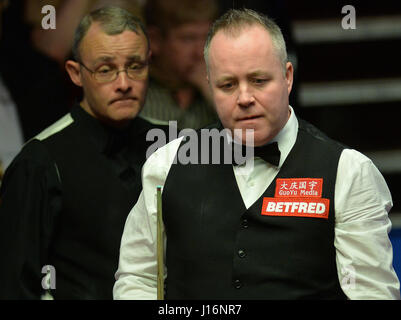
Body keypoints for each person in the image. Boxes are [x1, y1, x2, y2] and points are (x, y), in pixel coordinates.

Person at [113, 8, 400, 299]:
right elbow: (138, 279)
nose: (245, 98)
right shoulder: (167, 164)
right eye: (228, 85)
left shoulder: (348, 172)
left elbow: (371, 294)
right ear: (210, 86)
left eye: (259, 81)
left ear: (287, 77)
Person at [0, 6, 157, 299]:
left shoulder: (169, 147)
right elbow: (14, 285)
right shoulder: (39, 161)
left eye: (135, 66)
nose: (124, 84)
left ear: (150, 65)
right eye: (105, 69)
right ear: (75, 74)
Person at [139, 0, 219, 129]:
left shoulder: (222, 90)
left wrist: (213, 91)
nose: (201, 52)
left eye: (208, 37)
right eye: (188, 39)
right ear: (154, 40)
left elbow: (250, 140)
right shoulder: (136, 92)